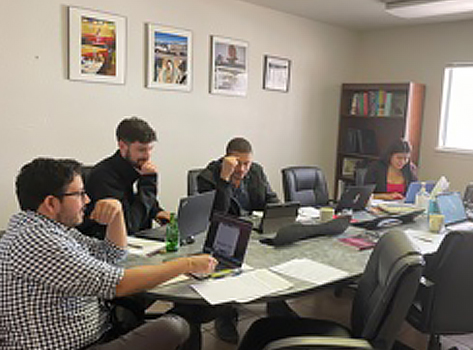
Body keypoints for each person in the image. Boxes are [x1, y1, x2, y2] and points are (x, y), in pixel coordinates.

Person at [0, 158, 216, 350]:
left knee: (178, 313)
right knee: (175, 327)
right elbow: (117, 284)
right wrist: (186, 264)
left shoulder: (50, 229)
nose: (87, 201)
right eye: (80, 194)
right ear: (51, 203)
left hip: (98, 324)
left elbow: (112, 254)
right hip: (80, 344)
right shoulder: (37, 240)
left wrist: (117, 214)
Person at [195, 137, 289, 344]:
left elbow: (270, 199)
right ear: (227, 159)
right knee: (227, 256)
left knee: (280, 248)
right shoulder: (207, 177)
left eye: (247, 163)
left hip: (253, 231)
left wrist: (277, 211)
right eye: (238, 163)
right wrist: (225, 178)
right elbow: (217, 213)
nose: (243, 169)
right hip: (223, 233)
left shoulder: (256, 171)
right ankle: (225, 315)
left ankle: (277, 303)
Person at [79, 117, 170, 238]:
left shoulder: (135, 167)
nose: (147, 156)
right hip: (108, 245)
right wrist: (148, 182)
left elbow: (138, 201)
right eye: (141, 150)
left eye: (150, 149)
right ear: (122, 146)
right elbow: (129, 226)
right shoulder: (103, 176)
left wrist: (157, 211)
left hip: (138, 242)